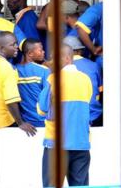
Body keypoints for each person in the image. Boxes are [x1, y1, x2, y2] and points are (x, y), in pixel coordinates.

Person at [38, 44, 93, 187]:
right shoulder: (86, 79)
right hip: (81, 143)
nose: (50, 61)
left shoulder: (53, 79)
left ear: (67, 58)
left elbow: (42, 109)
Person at [63, 36, 103, 126]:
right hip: (94, 115)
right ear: (79, 51)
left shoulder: (60, 67)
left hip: (71, 117)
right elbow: (100, 91)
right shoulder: (94, 65)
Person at [16, 38, 50, 127]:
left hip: (25, 121)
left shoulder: (14, 70)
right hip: (44, 119)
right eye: (40, 50)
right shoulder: (44, 71)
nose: (43, 52)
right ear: (30, 53)